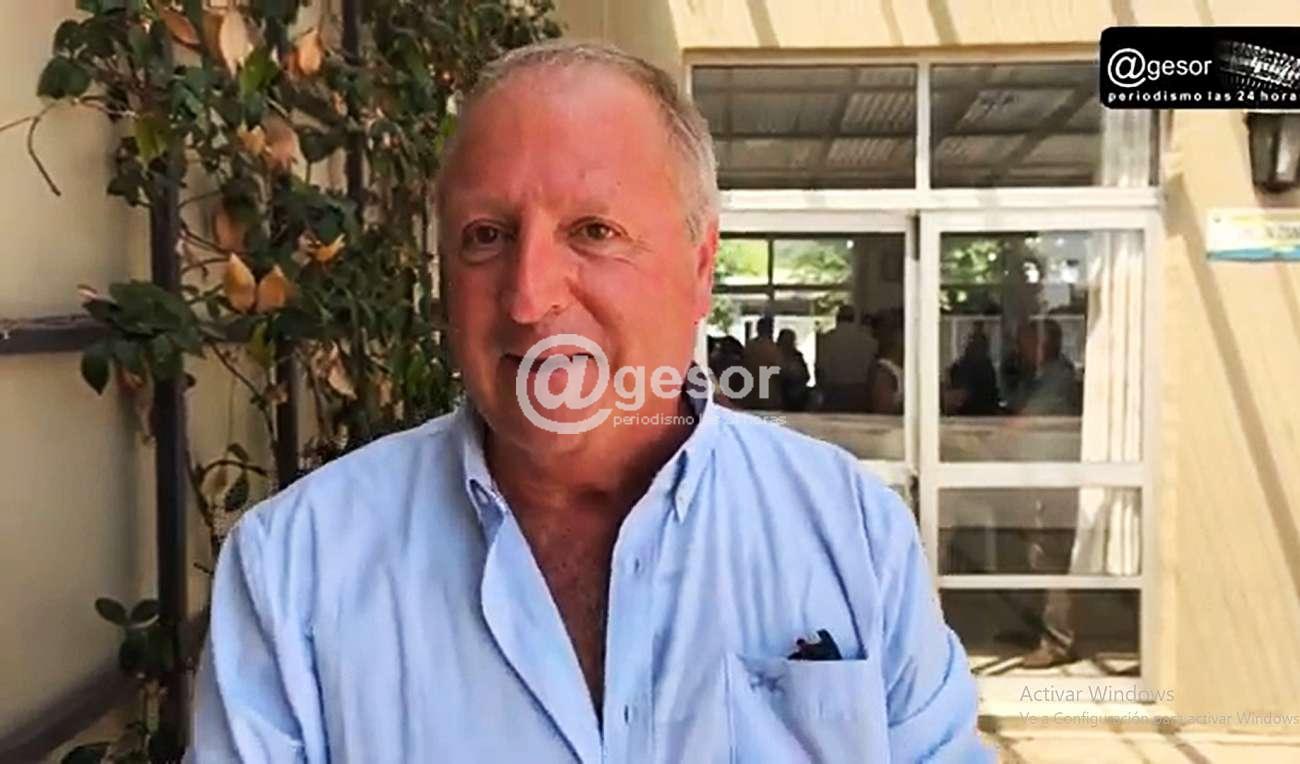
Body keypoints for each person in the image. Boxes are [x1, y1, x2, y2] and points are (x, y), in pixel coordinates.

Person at [189, 40, 990, 762]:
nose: (529, 297)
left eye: (594, 231)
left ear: (701, 267)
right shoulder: (296, 569)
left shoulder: (851, 533)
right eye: (486, 235)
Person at [814, 303, 875, 411]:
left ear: (837, 318)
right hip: (861, 393)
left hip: (834, 392)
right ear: (854, 319)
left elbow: (821, 370)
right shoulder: (869, 341)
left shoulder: (826, 340)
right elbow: (872, 370)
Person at [944, 323, 1000, 416]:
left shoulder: (987, 367)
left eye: (981, 344)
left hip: (985, 413)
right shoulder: (960, 367)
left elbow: (991, 394)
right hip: (966, 414)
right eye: (974, 342)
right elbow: (958, 395)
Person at [741, 315, 783, 409]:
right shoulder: (773, 349)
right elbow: (780, 369)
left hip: (750, 391)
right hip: (767, 392)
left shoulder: (749, 347)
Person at [775, 328, 811, 411]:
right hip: (779, 392)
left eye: (790, 341)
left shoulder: (798, 356)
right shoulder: (774, 355)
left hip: (797, 392)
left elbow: (806, 376)